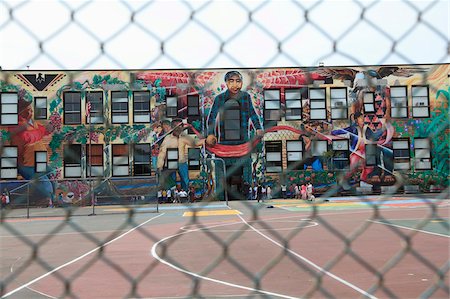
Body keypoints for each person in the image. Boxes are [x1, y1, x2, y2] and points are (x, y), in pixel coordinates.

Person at [205, 71, 264, 191]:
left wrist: (258, 128)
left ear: (241, 83)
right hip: (224, 144)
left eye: (238, 81)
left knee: (246, 169)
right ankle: (222, 194)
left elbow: (252, 114)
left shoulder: (245, 97)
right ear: (226, 83)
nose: (235, 85)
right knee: (222, 173)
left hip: (242, 142)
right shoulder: (219, 98)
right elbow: (211, 117)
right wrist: (210, 134)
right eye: (231, 81)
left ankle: (246, 191)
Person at [8, 96, 55, 206]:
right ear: (20, 111)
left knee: (52, 175)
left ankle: (52, 200)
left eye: (31, 109)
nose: (31, 112)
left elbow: (42, 130)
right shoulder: (17, 125)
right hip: (27, 163)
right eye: (28, 110)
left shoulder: (32, 123)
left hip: (40, 160)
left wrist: (49, 128)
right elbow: (26, 139)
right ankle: (47, 201)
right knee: (44, 183)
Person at [157, 119, 204, 191]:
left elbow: (195, 143)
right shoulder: (167, 138)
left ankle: (185, 194)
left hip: (182, 162)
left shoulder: (184, 137)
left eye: (181, 126)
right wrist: (160, 165)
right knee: (172, 183)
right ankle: (173, 197)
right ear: (173, 127)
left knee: (185, 181)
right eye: (177, 126)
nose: (180, 128)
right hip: (171, 163)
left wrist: (205, 140)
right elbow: (162, 153)